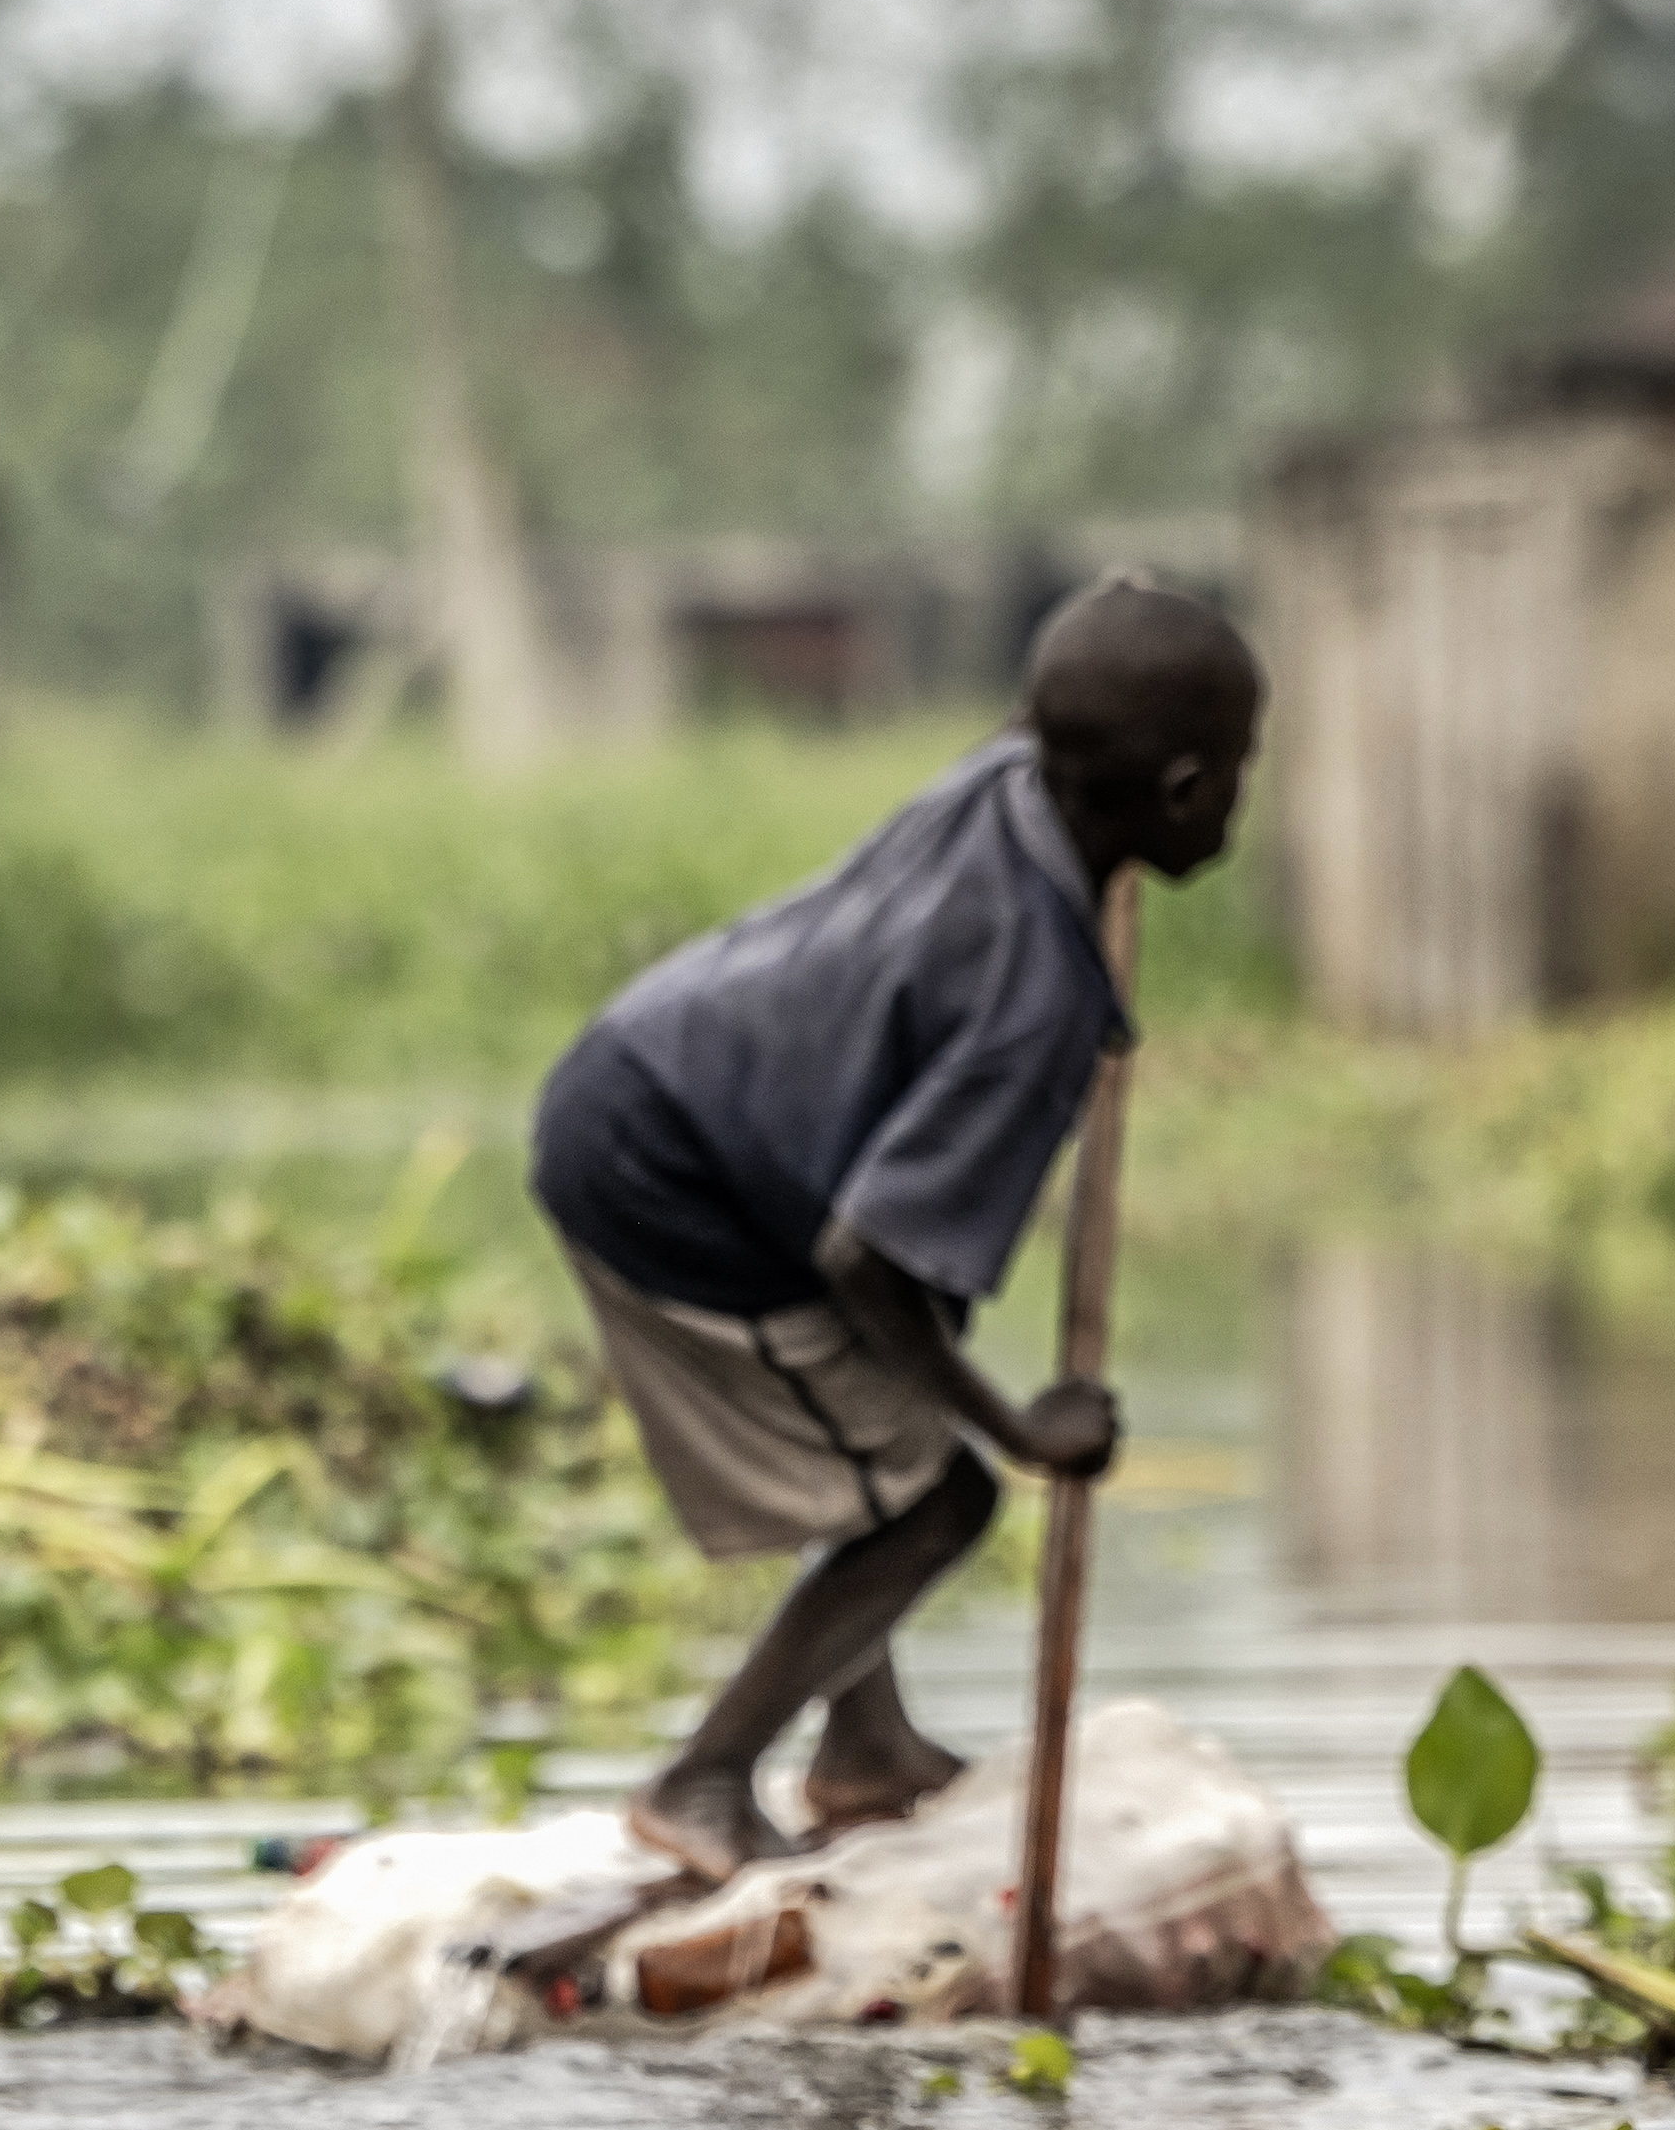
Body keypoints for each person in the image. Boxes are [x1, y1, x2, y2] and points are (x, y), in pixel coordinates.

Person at [529, 576, 1263, 1883]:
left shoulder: (1012, 776)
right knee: (937, 1499)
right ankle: (702, 1777)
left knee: (874, 1447)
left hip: (679, 1090)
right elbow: (867, 1265)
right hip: (669, 1168)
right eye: (1239, 771)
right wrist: (1024, 1429)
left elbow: (1068, 709)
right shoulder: (1032, 993)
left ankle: (865, 1750)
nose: (1247, 801)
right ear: (1181, 788)